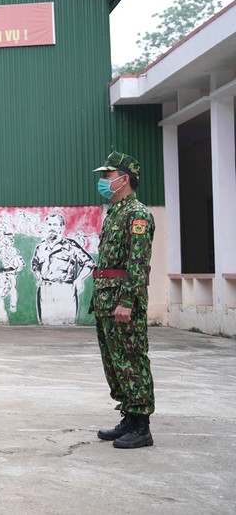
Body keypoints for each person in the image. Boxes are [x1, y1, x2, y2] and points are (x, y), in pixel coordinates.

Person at [90, 151, 156, 449]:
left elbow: (137, 262)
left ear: (124, 179)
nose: (103, 181)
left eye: (107, 176)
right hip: (106, 299)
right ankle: (129, 416)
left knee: (131, 360)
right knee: (114, 362)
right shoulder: (115, 212)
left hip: (122, 299)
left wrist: (127, 301)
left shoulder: (137, 214)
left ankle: (142, 425)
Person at [31, 213, 95, 324]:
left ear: (61, 227)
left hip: (65, 289)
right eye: (49, 224)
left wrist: (79, 279)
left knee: (67, 327)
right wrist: (38, 276)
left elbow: (89, 263)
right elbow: (35, 264)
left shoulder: (70, 246)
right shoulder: (41, 247)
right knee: (45, 327)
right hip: (45, 290)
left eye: (55, 225)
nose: (51, 228)